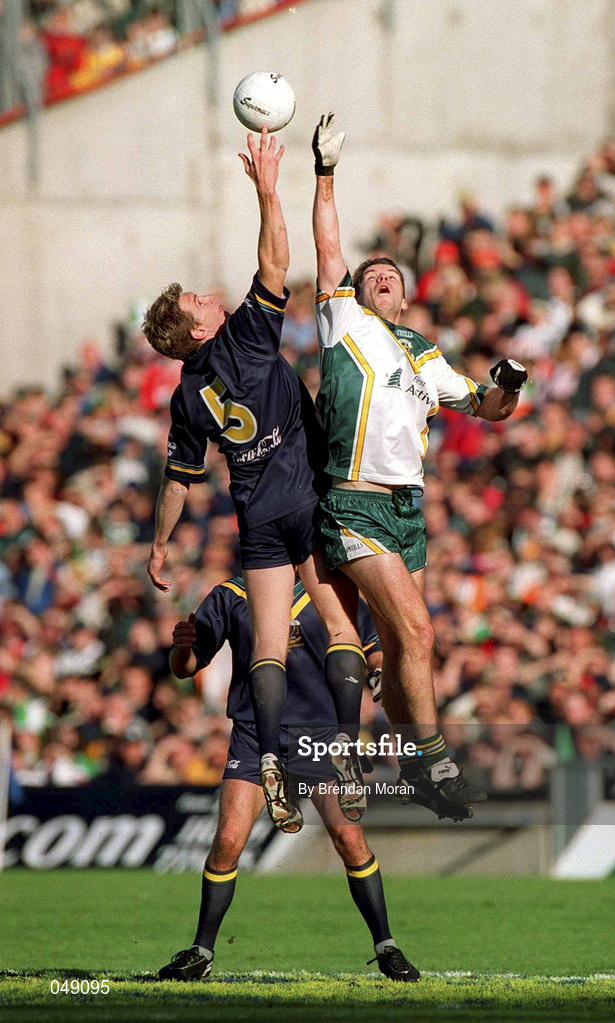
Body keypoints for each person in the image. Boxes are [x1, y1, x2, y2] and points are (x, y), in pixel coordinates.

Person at [143, 128, 367, 833]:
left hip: (255, 516)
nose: (208, 296)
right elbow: (277, 259)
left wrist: (158, 544)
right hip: (305, 496)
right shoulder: (242, 336)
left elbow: (179, 479)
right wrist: (267, 187)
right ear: (202, 331)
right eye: (197, 304)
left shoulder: (185, 396)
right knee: (337, 623)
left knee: (266, 645)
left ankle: (268, 760)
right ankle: (347, 750)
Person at [310, 113, 529, 819]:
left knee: (406, 654)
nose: (377, 278)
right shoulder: (344, 321)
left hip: (406, 509)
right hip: (353, 502)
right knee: (418, 634)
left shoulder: (422, 351)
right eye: (369, 275)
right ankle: (435, 766)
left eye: (388, 277)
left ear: (403, 297)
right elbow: (327, 247)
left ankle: (412, 767)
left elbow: (488, 408)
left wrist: (511, 384)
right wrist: (324, 174)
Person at [157, 575, 420, 984]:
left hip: (320, 736)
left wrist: (383, 684)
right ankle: (202, 951)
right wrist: (182, 646)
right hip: (254, 736)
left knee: (350, 840)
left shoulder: (332, 590)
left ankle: (387, 946)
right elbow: (184, 668)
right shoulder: (231, 595)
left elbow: (372, 653)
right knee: (227, 842)